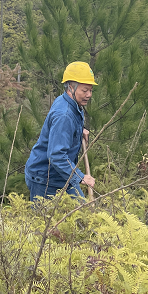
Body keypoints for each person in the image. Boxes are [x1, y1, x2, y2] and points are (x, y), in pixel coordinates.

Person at [24, 61, 96, 201]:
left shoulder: (68, 102)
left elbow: (65, 128)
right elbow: (57, 155)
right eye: (84, 90)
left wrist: (78, 129)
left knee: (82, 214)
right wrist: (80, 177)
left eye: (91, 90)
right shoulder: (64, 115)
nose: (89, 95)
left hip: (60, 175)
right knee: (46, 221)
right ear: (71, 87)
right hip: (45, 179)